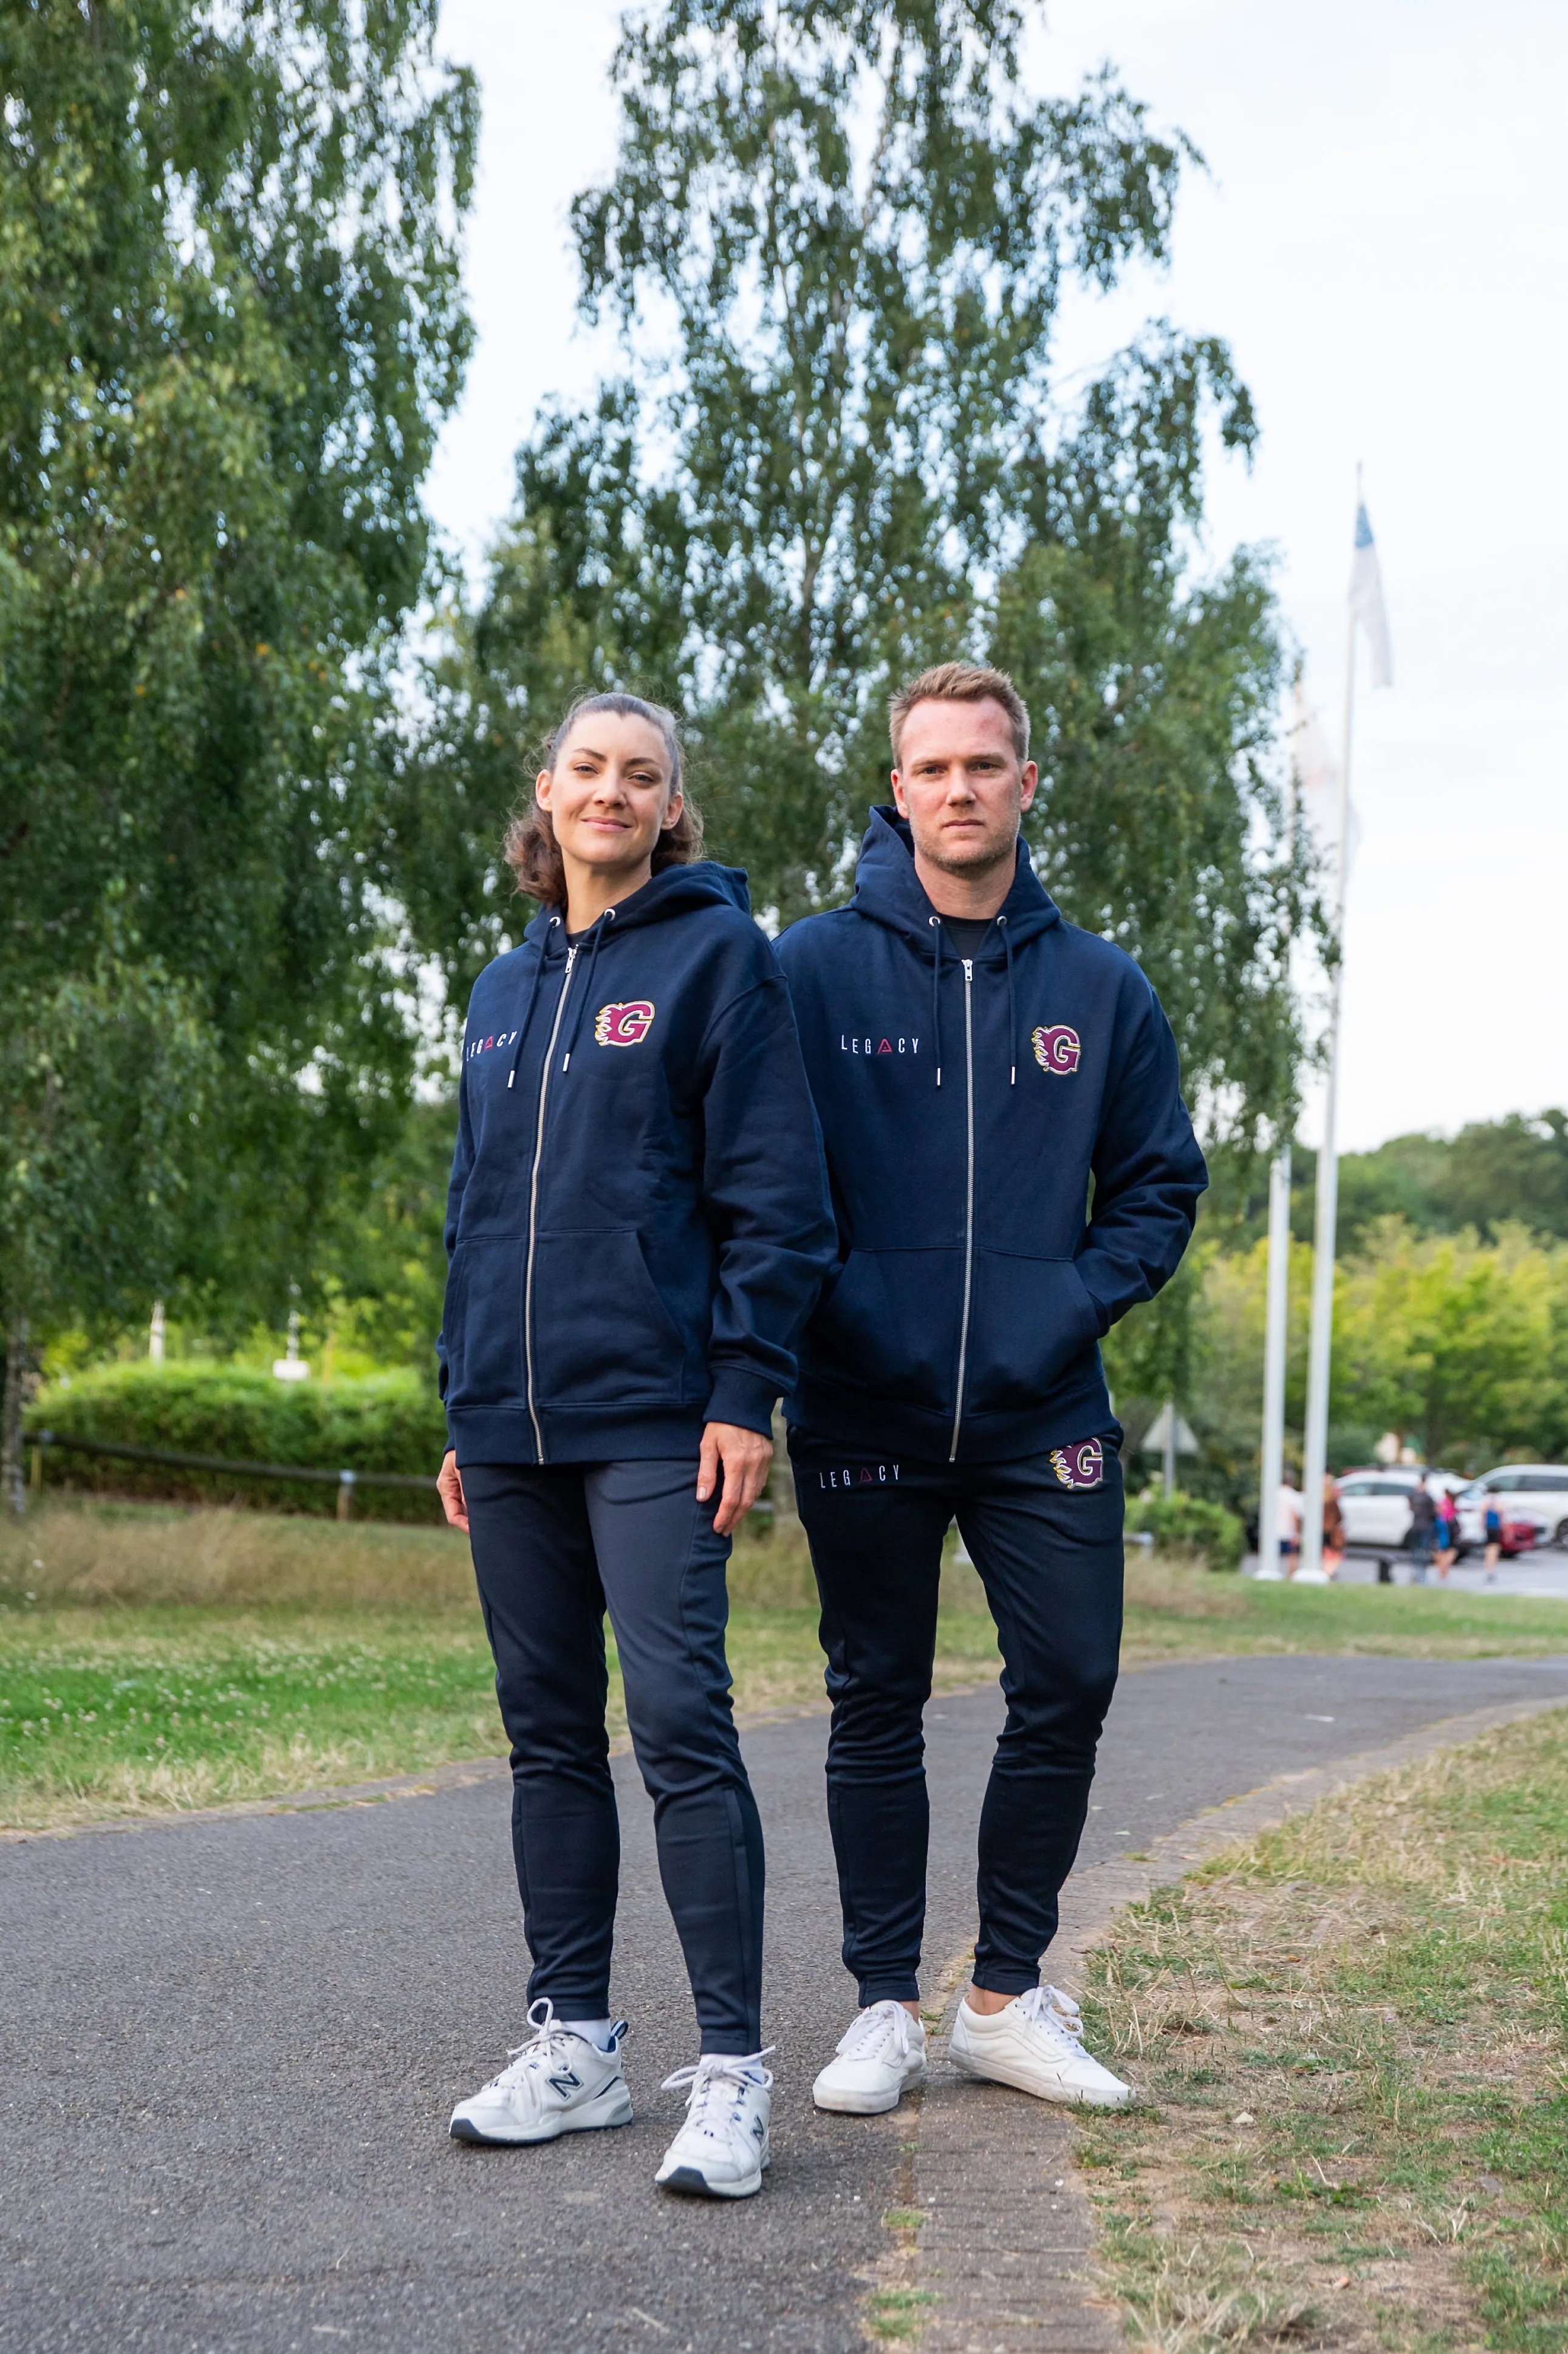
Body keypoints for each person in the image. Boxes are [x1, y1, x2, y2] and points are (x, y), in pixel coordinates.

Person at [775, 662, 1207, 2118]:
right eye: (932, 766)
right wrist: (836, 1309)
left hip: (1040, 1410)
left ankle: (1004, 1995)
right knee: (873, 1695)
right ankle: (880, 2006)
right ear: (894, 791)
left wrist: (1062, 1302)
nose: (959, 787)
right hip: (861, 1401)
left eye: (985, 763)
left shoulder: (1098, 988)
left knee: (1069, 1679)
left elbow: (1157, 1183)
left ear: (1028, 783)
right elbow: (760, 1180)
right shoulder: (809, 971)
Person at [436, 691, 834, 2198]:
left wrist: (745, 1390)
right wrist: (462, 1400)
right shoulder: (498, 987)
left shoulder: (718, 958)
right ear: (546, 791)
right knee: (547, 1736)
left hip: (660, 1418)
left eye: (641, 777)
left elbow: (774, 1201)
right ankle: (576, 2045)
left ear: (671, 808)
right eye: (587, 769)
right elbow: (476, 1208)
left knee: (679, 1727)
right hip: (509, 1423)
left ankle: (728, 2069)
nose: (612, 793)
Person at [1408, 1478, 1438, 1583]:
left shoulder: (1414, 1496)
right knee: (1424, 1550)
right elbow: (1434, 1513)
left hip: (1416, 1526)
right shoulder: (1428, 1498)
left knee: (1416, 1550)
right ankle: (1422, 1573)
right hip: (1426, 1526)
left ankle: (1415, 1571)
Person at [1320, 1473, 1344, 1579]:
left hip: (1321, 1529)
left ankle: (1325, 1570)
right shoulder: (1332, 1502)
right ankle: (1328, 1571)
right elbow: (1339, 1516)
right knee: (1333, 1552)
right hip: (1331, 1530)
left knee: (1323, 1551)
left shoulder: (1318, 1502)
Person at [1436, 1486, 1460, 1579]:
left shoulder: (1442, 1503)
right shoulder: (1452, 1503)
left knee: (1442, 1548)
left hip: (1442, 1526)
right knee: (1452, 1549)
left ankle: (1442, 1566)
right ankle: (1445, 1566)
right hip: (1450, 1526)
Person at [1483, 1491, 1505, 1584]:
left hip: (1489, 1527)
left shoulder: (1485, 1503)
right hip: (1494, 1528)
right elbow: (1501, 1512)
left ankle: (1489, 1568)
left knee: (1490, 1548)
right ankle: (1491, 1569)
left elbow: (1482, 1514)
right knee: (1494, 1548)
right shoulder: (1497, 1503)